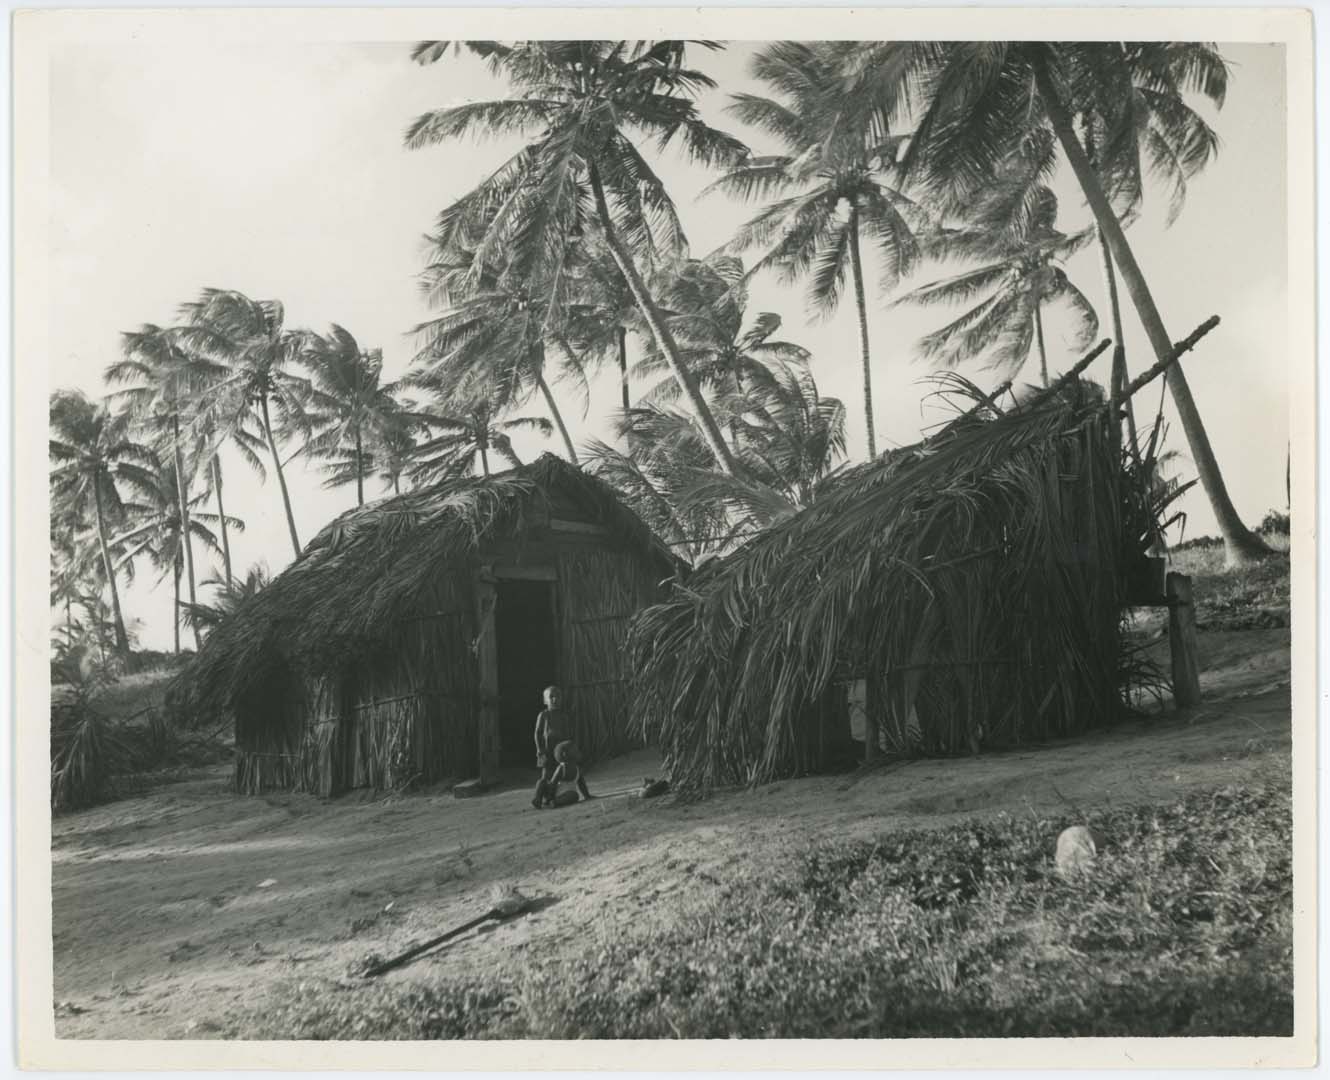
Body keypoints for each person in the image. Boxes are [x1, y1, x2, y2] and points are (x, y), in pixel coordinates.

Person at [531, 685, 592, 808]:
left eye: (558, 696)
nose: (555, 699)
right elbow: (537, 733)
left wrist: (571, 748)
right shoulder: (543, 715)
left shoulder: (565, 716)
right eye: (551, 697)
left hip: (563, 752)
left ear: (562, 698)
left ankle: (583, 795)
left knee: (571, 771)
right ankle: (539, 798)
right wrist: (539, 749)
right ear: (545, 700)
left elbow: (569, 734)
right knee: (545, 777)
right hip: (547, 751)